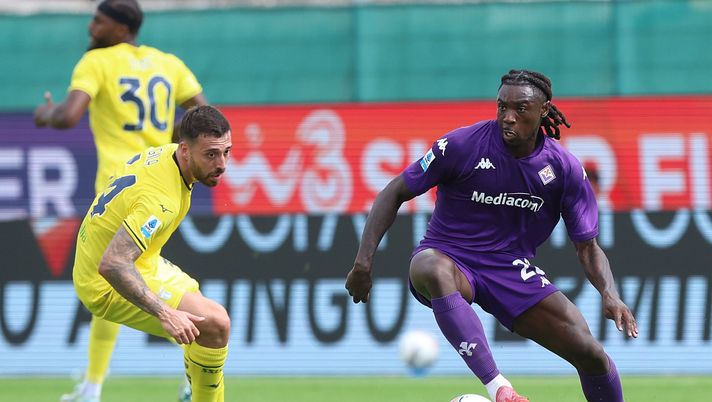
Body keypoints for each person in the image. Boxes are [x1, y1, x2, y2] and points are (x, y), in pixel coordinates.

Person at [346, 69, 638, 402]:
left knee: (591, 355)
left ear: (544, 110)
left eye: (520, 108)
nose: (508, 118)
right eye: (502, 107)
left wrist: (609, 293)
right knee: (431, 268)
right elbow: (394, 191)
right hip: (449, 256)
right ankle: (500, 389)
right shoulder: (460, 146)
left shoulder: (563, 169)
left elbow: (587, 247)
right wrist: (363, 263)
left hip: (510, 269)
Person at [33, 1, 207, 401]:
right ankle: (117, 383)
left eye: (99, 21)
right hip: (162, 181)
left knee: (107, 278)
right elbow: (205, 115)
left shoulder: (96, 63)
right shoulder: (169, 64)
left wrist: (45, 114)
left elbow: (69, 116)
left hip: (118, 186)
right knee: (132, 276)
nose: (92, 27)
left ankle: (96, 387)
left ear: (121, 27)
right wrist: (168, 136)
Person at [72, 105, 231, 402]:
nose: (222, 164)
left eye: (226, 152)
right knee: (215, 324)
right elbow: (114, 263)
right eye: (211, 154)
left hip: (137, 259)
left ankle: (191, 390)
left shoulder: (169, 154)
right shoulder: (161, 199)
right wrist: (165, 313)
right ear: (185, 150)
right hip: (103, 280)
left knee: (198, 306)